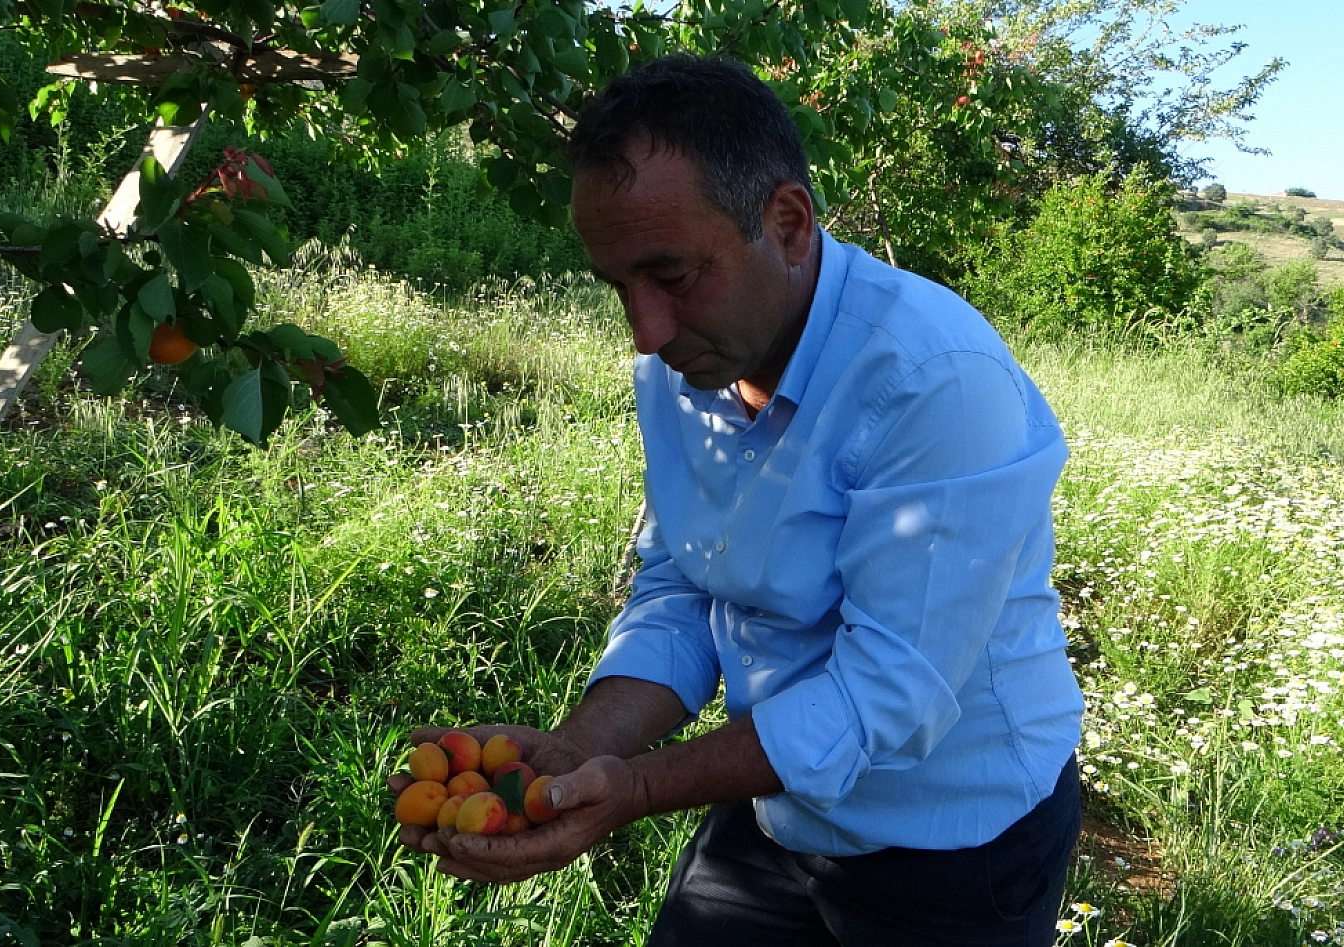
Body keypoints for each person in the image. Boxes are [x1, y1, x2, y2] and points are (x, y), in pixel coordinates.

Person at [388, 53, 1085, 946]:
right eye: (619, 288)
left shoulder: (934, 381)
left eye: (672, 277)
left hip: (956, 841)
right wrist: (582, 748)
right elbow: (683, 583)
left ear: (788, 223)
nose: (646, 330)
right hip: (777, 804)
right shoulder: (684, 363)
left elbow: (886, 695)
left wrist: (636, 787)